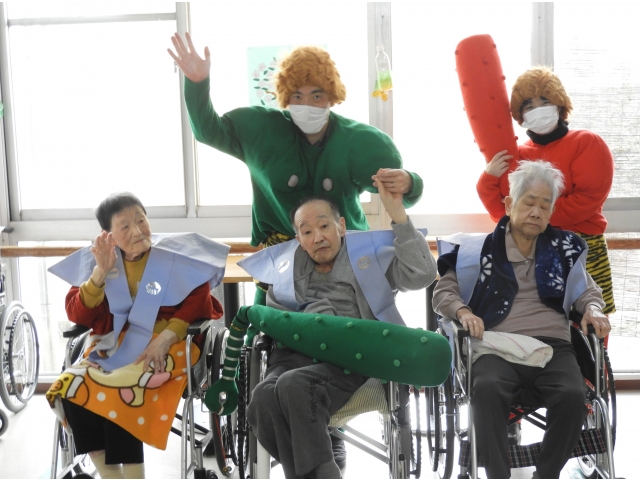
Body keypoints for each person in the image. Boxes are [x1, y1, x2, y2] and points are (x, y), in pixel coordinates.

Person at [167, 33, 424, 304]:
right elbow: (209, 131)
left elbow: (398, 197)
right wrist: (197, 83)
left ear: (331, 96)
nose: (307, 105)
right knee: (269, 321)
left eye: (316, 95)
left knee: (353, 319)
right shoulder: (262, 132)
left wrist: (410, 182)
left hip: (345, 258)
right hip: (282, 260)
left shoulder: (360, 142)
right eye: (297, 96)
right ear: (286, 97)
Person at [235, 175, 436, 478]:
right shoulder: (286, 271)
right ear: (299, 240)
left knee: (292, 385)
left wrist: (399, 216)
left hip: (350, 357)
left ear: (341, 226)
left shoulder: (369, 260)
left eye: (324, 226)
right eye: (307, 231)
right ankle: (324, 472)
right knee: (262, 398)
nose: (317, 237)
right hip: (293, 357)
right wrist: (313, 319)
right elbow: (277, 322)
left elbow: (423, 274)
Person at [434, 161, 611, 478]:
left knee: (573, 395)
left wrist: (594, 309)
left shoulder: (563, 250)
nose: (536, 212)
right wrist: (463, 312)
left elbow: (587, 292)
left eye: (545, 205)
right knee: (486, 388)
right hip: (497, 346)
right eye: (529, 202)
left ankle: (546, 474)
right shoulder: (476, 250)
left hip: (553, 347)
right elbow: (443, 293)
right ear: (509, 204)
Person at [46, 192, 227, 479]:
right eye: (125, 226)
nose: (137, 230)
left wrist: (164, 339)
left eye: (141, 220)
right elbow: (78, 314)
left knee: (121, 390)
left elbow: (199, 301)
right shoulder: (101, 259)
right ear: (108, 235)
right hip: (114, 344)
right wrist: (100, 273)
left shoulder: (173, 258)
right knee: (69, 387)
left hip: (169, 344)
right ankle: (112, 476)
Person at [476, 66, 616, 316]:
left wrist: (531, 213)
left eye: (544, 101)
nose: (537, 110)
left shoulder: (587, 142)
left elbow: (587, 200)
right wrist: (489, 177)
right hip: (532, 247)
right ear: (520, 115)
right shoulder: (518, 155)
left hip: (583, 243)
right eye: (529, 106)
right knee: (542, 317)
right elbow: (502, 211)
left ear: (559, 104)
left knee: (591, 316)